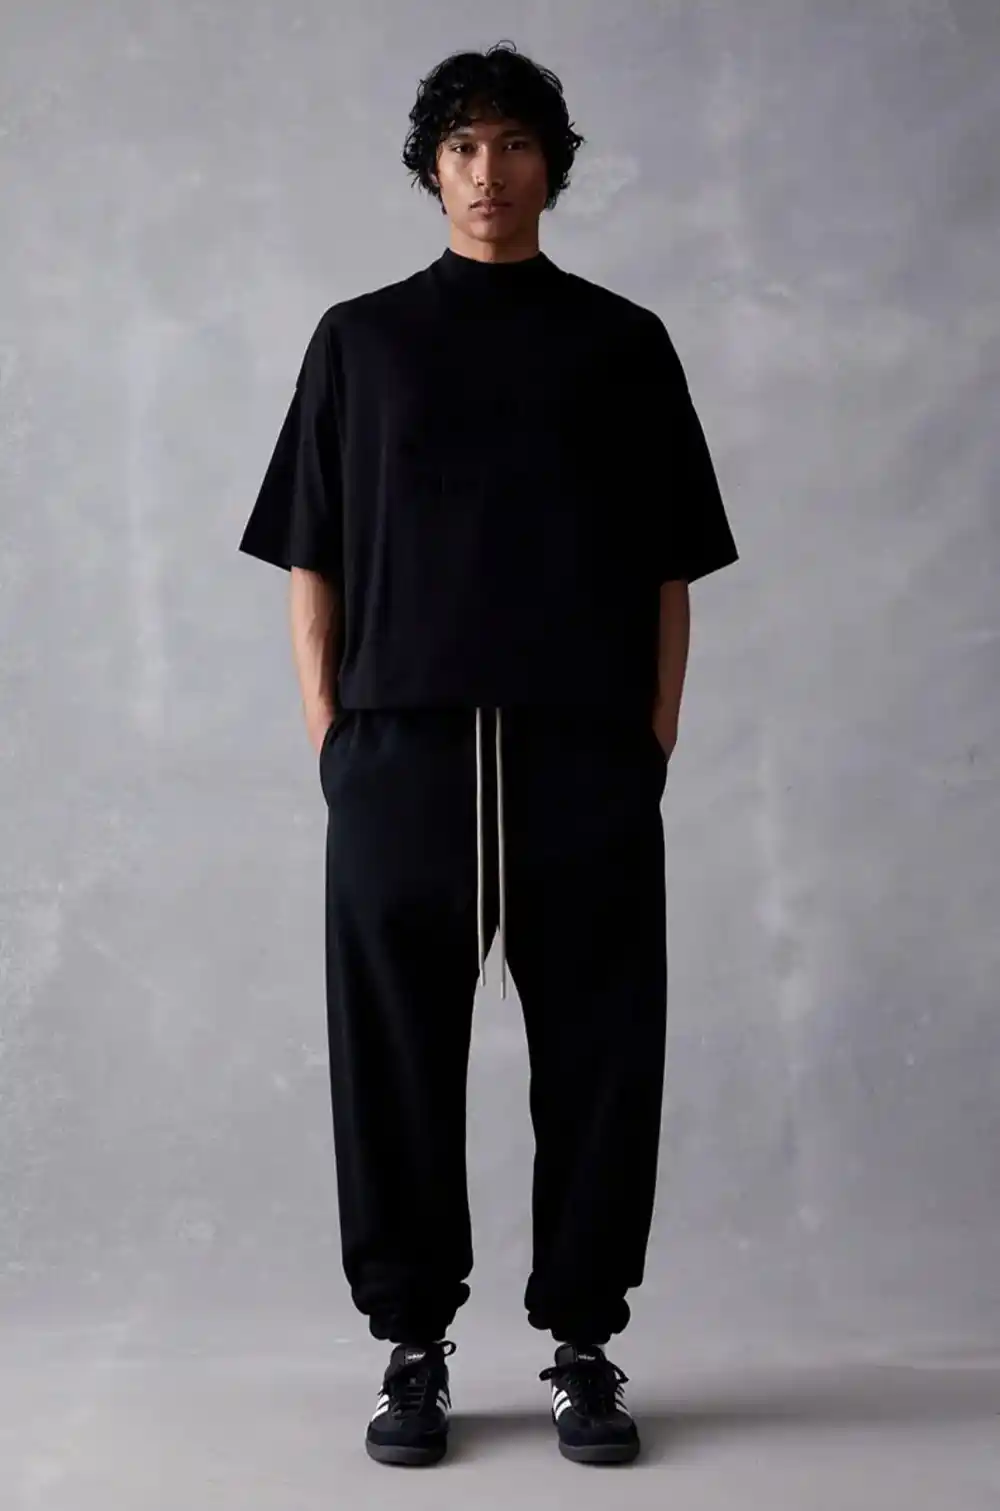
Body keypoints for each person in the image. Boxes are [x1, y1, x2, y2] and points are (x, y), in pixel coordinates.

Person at [238, 40, 738, 1469]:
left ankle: (584, 1340)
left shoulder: (622, 343)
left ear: (552, 168)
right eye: (462, 145)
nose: (488, 171)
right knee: (394, 1053)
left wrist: (652, 736)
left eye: (515, 144)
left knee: (602, 1050)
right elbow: (313, 555)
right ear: (431, 168)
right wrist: (332, 733)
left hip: (583, 749)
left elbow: (669, 566)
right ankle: (411, 1344)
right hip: (399, 750)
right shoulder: (361, 342)